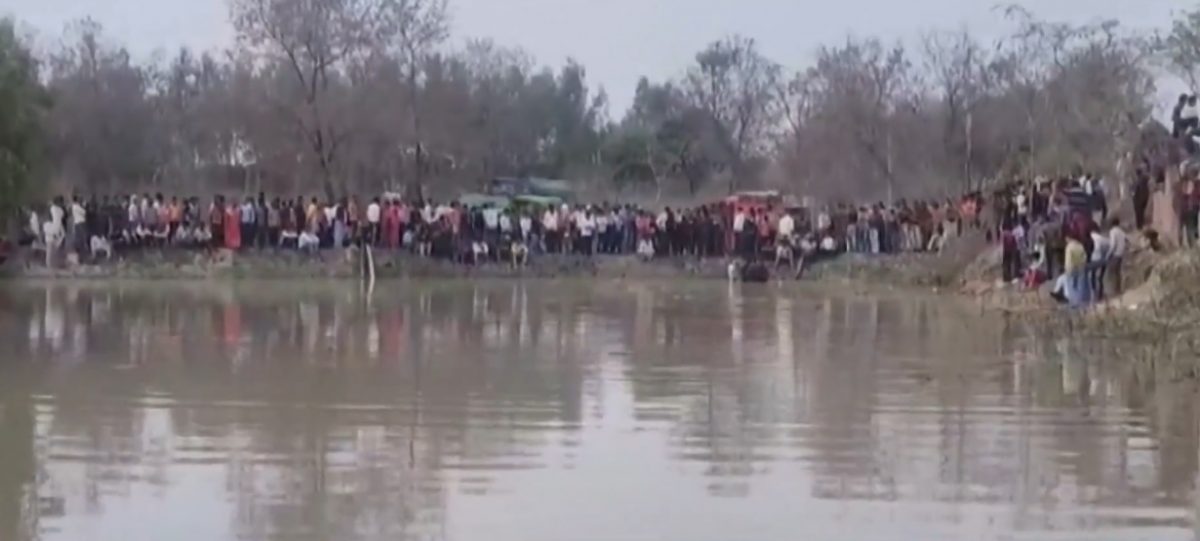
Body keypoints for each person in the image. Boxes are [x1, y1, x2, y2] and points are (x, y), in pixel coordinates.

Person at [1108, 218, 1128, 296]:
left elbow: (1113, 245)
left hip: (1115, 254)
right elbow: (1127, 240)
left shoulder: (1113, 232)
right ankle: (1118, 289)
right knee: (1117, 273)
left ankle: (1114, 290)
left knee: (1112, 273)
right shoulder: (1121, 231)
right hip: (1121, 254)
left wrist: (1108, 254)